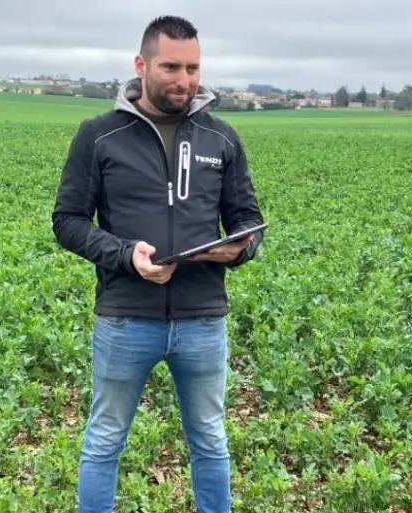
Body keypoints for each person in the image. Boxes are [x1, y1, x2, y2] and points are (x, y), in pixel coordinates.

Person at [51, 14, 265, 513]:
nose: (185, 80)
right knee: (104, 440)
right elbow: (67, 220)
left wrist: (241, 247)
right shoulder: (99, 136)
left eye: (193, 68)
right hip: (126, 317)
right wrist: (126, 255)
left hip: (203, 318)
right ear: (141, 64)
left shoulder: (222, 138)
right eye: (171, 67)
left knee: (211, 440)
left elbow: (247, 217)